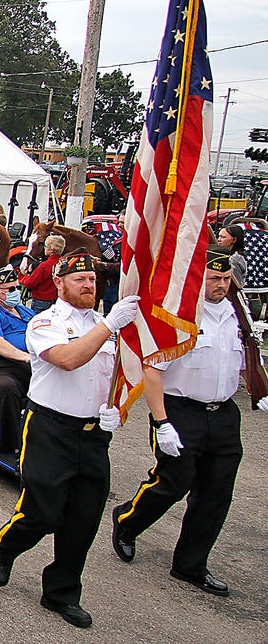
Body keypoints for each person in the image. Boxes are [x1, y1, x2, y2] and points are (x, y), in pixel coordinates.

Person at [0, 251, 141, 629]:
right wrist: (109, 325)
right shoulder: (45, 321)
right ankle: (8, 546)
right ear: (59, 284)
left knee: (83, 517)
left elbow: (118, 372)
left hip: (93, 434)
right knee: (44, 510)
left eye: (92, 279)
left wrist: (117, 408)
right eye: (79, 280)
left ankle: (61, 592)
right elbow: (70, 359)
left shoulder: (110, 327)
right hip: (49, 428)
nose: (88, 285)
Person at [111, 247, 264, 597]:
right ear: (197, 278)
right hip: (181, 409)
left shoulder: (237, 314)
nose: (221, 285)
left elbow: (246, 360)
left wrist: (259, 390)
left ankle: (190, 564)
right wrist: (161, 422)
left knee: (215, 493)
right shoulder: (180, 317)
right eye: (214, 278)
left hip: (223, 413)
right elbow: (152, 370)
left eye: (226, 279)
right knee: (173, 482)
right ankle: (127, 521)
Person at [0, 267, 36, 453]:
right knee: (7, 387)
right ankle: (11, 445)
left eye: (17, 288)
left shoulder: (27, 313)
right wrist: (26, 358)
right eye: (10, 289)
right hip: (0, 367)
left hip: (33, 365)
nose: (16, 293)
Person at [23, 234, 65, 313]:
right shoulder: (64, 264)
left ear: (51, 249)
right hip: (58, 300)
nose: (44, 249)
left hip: (41, 301)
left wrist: (26, 276)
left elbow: (30, 283)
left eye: (45, 247)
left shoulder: (45, 266)